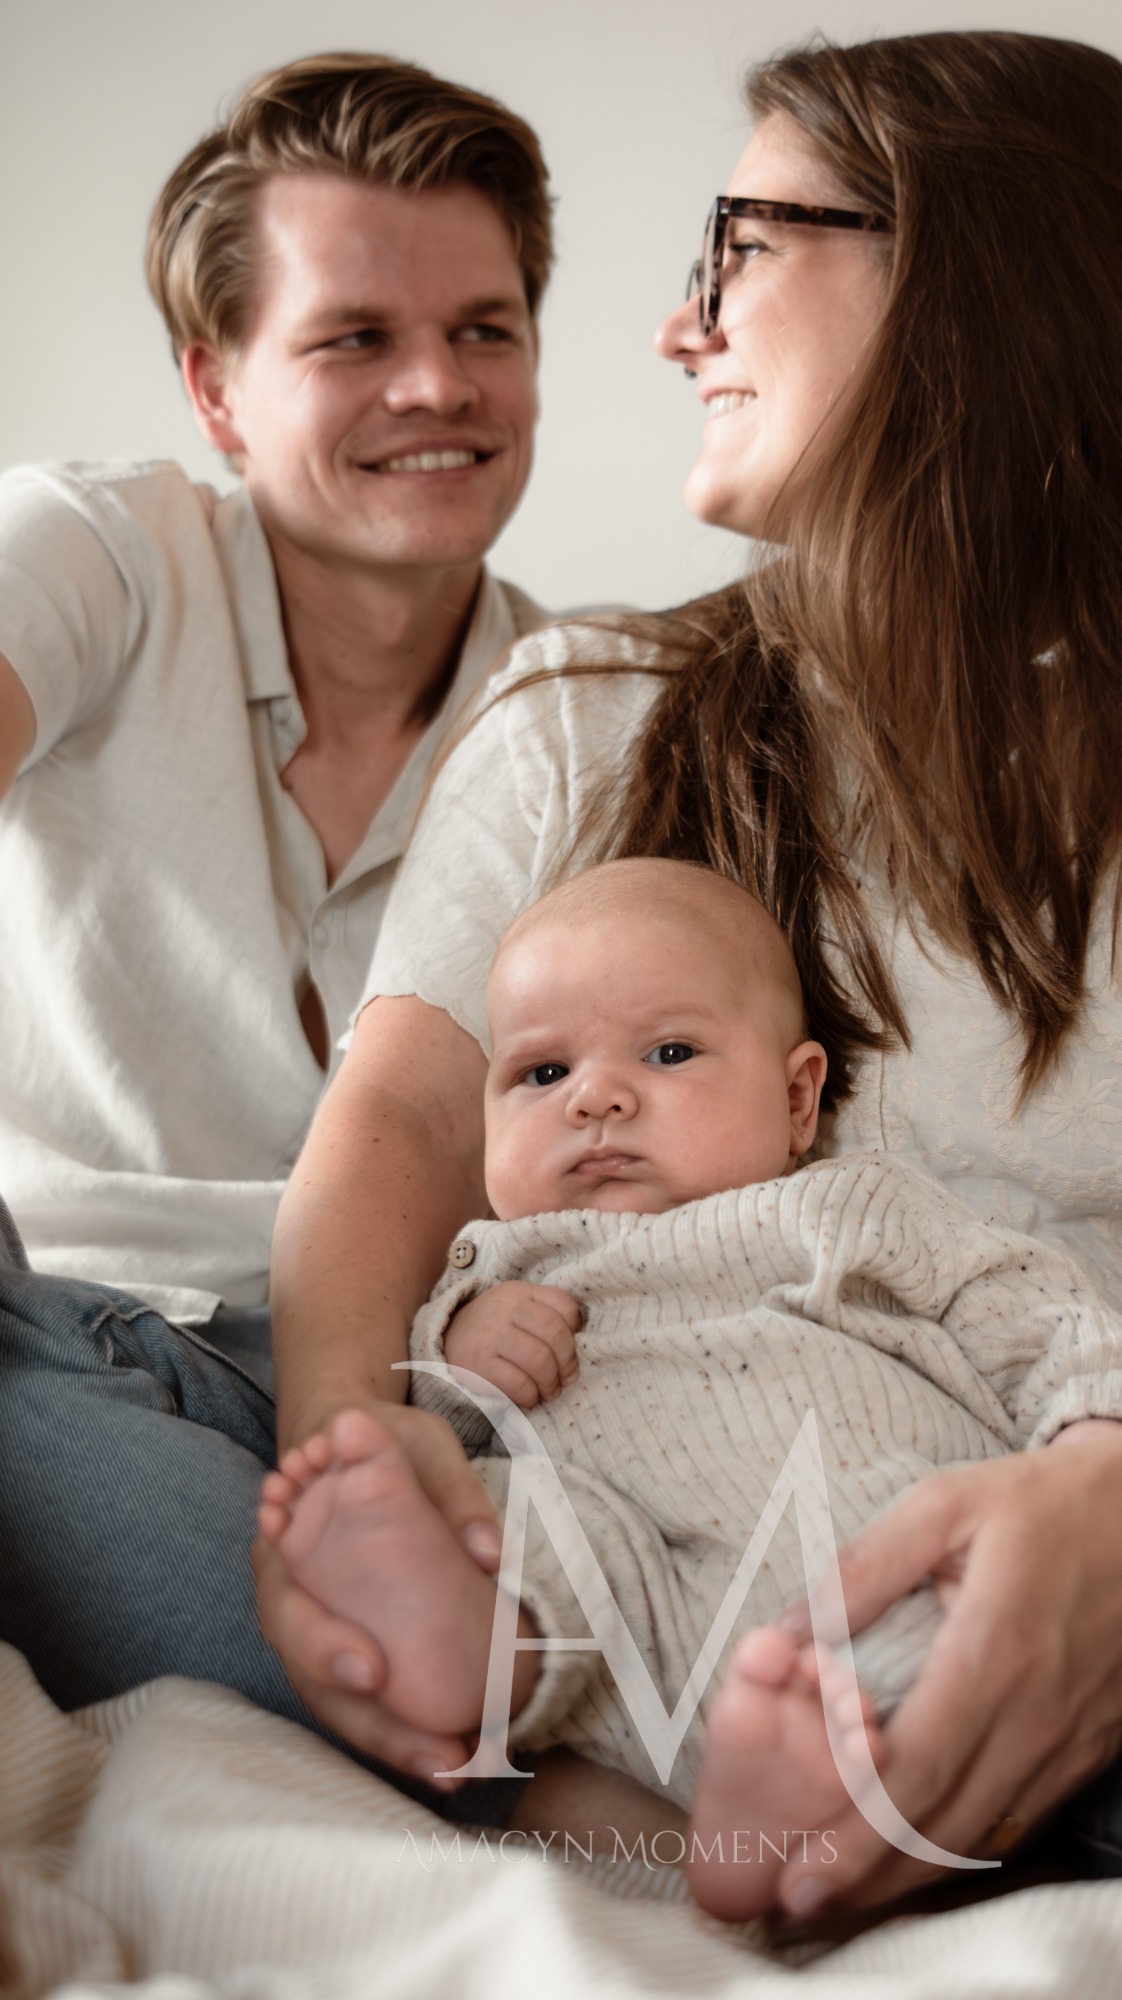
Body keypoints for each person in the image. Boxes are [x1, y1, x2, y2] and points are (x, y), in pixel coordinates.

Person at [266, 31, 1122, 1915]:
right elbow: (401, 1121)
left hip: (1003, 1540)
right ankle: (554, 1726)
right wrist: (362, 1448)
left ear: (977, 272)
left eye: (740, 248)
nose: (677, 330)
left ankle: (771, 1786)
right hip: (580, 1489)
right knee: (46, 1376)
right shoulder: (594, 707)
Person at [0, 50, 553, 1782]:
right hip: (56, 1334)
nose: (434, 386)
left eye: (483, 329)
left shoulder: (586, 704)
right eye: (353, 338)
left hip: (401, 1383)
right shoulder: (96, 549)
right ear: (216, 387)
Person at [263, 857, 1122, 1920]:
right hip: (623, 1577)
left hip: (854, 1537)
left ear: (797, 1098)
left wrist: (1092, 1422)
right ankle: (455, 1641)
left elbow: (1029, 1307)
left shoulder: (845, 1209)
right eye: (541, 1073)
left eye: (668, 1053)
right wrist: (464, 1350)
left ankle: (787, 1799)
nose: (595, 1097)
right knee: (500, 1526)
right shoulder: (494, 1266)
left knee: (921, 1613)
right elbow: (438, 1420)